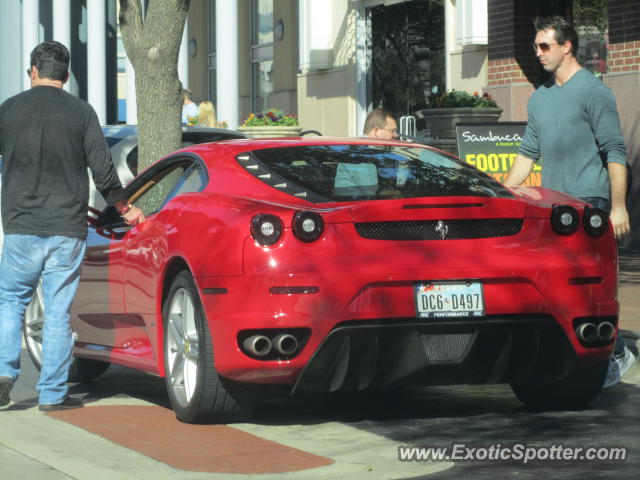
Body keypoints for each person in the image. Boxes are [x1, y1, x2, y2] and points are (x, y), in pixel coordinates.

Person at [0, 40, 145, 411]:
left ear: (32, 70)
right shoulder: (81, 112)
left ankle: (3, 373)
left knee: (10, 303)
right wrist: (125, 208)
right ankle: (51, 393)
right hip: (67, 227)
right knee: (58, 310)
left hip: (21, 225)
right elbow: (103, 170)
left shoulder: (9, 110)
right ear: (65, 76)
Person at [504, 16, 635, 388]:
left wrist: (619, 206)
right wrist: (501, 194)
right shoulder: (540, 98)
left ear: (567, 46)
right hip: (552, 212)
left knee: (587, 288)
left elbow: (614, 152)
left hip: (589, 207)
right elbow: (527, 155)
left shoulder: (594, 93)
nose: (538, 53)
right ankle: (607, 351)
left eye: (545, 46)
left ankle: (615, 351)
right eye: (535, 47)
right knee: (558, 289)